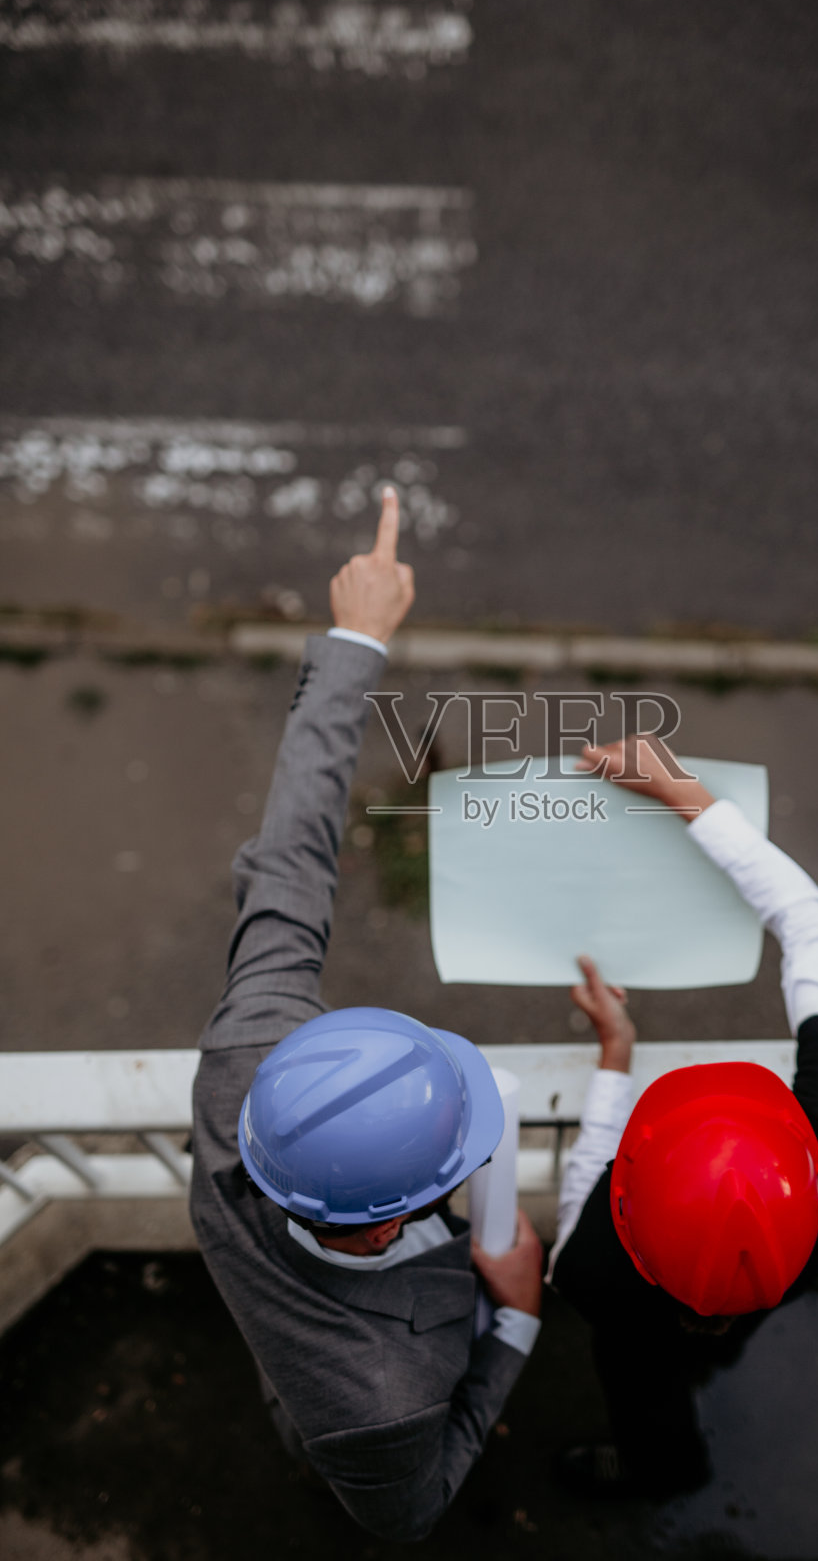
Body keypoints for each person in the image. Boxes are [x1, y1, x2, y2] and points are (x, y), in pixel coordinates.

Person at [189, 489, 543, 1543]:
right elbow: (411, 1509)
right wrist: (514, 1319)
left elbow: (291, 865)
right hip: (331, 1429)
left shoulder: (246, 1060)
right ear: (408, 1210)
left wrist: (354, 643)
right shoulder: (381, 1406)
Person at [548, 733, 818, 1499]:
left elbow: (585, 1174)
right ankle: (707, 1370)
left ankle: (664, 1472)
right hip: (754, 1297)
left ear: (626, 1209)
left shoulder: (588, 1277)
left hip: (634, 1331)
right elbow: (815, 932)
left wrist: (616, 1052)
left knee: (639, 1393)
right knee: (708, 1348)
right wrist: (688, 798)